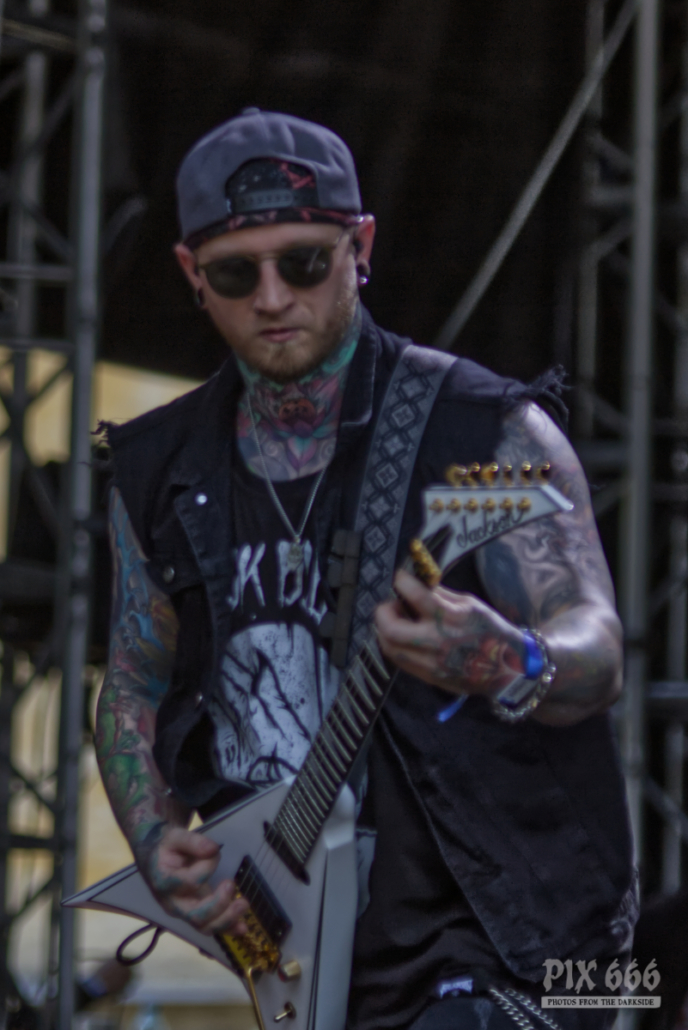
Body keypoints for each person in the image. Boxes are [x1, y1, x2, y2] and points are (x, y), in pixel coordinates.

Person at [95, 108, 637, 1030]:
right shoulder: (159, 470)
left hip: (516, 941)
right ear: (191, 274)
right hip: (307, 944)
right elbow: (135, 684)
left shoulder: (486, 430)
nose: (273, 297)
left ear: (362, 246)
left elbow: (598, 646)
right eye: (236, 273)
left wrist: (513, 660)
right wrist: (153, 838)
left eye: (305, 262)